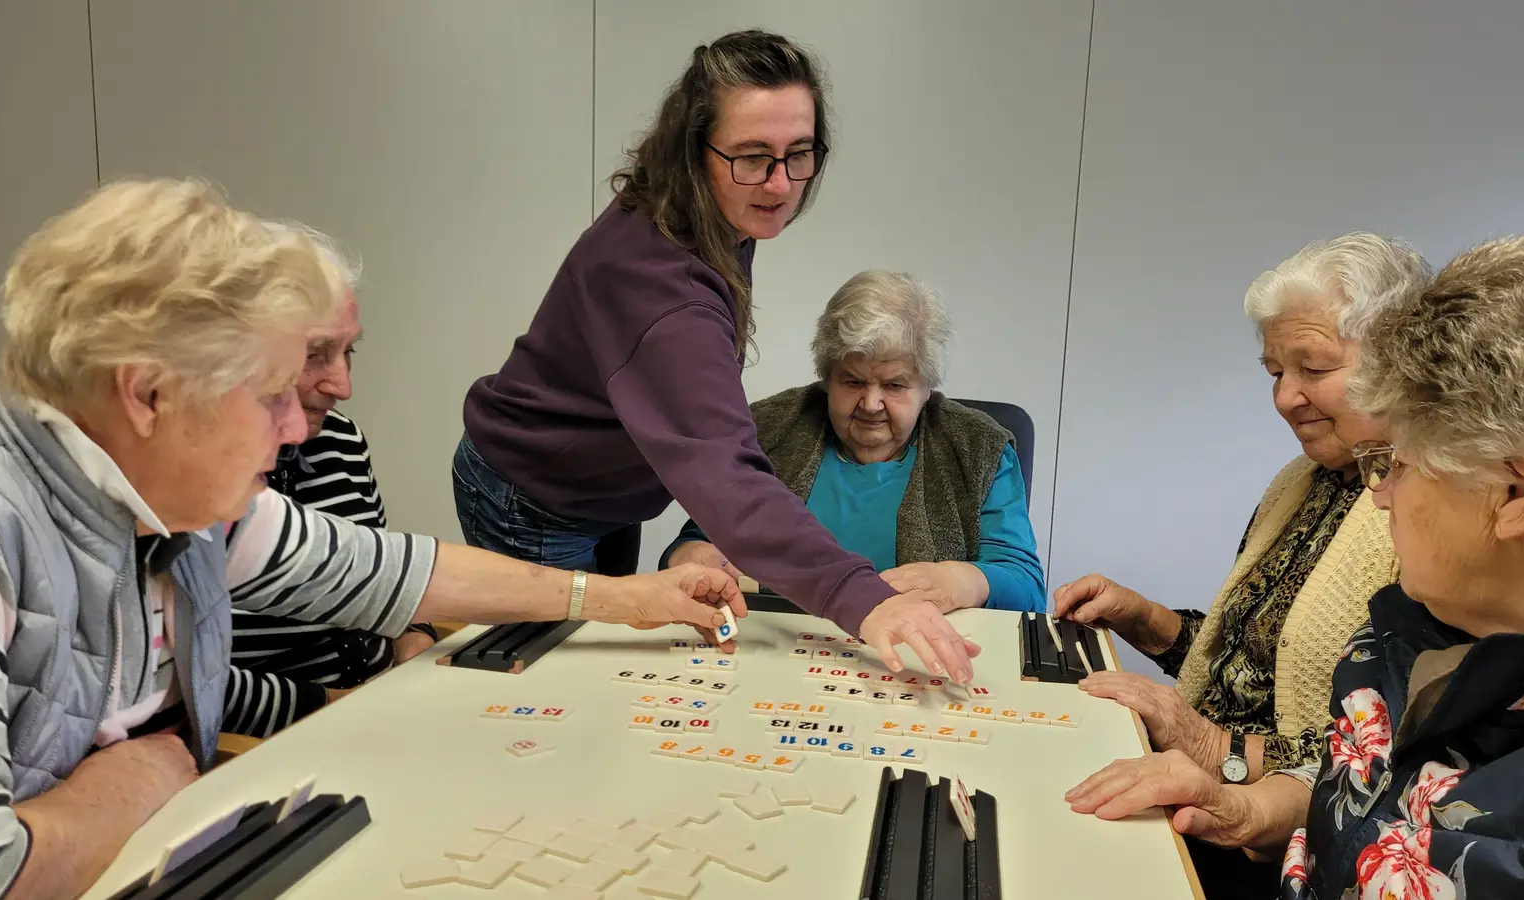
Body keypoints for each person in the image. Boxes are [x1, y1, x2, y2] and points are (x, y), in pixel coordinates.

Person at [0, 178, 743, 900]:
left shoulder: (168, 494)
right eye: (271, 397)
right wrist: (143, 778)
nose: (298, 425)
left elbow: (379, 570)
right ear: (149, 393)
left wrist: (625, 599)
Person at [453, 30, 978, 681]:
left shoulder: (709, 210)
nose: (780, 183)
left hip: (598, 484)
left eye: (800, 153)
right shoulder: (663, 287)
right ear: (693, 149)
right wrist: (862, 598)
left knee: (590, 670)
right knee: (549, 688)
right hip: (533, 491)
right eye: (754, 156)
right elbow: (728, 475)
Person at [1063, 232, 1524, 900]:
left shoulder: (1441, 575)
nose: (1285, 396)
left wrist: (1219, 758)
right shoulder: (1304, 489)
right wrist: (1150, 624)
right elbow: (1354, 781)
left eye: (1314, 367)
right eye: (1274, 373)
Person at [661, 270, 1046, 612]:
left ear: (927, 386)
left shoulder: (978, 448)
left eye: (894, 385)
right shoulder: (765, 427)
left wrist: (960, 581)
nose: (871, 404)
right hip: (773, 645)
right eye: (853, 381)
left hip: (918, 659)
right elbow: (692, 542)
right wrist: (693, 556)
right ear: (827, 376)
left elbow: (1025, 586)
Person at [223, 234, 436, 739]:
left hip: (373, 710)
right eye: (316, 355)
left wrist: (416, 639)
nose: (343, 386)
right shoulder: (192, 478)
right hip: (278, 742)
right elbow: (188, 685)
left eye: (348, 352)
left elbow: (380, 573)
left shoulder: (340, 438)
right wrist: (344, 709)